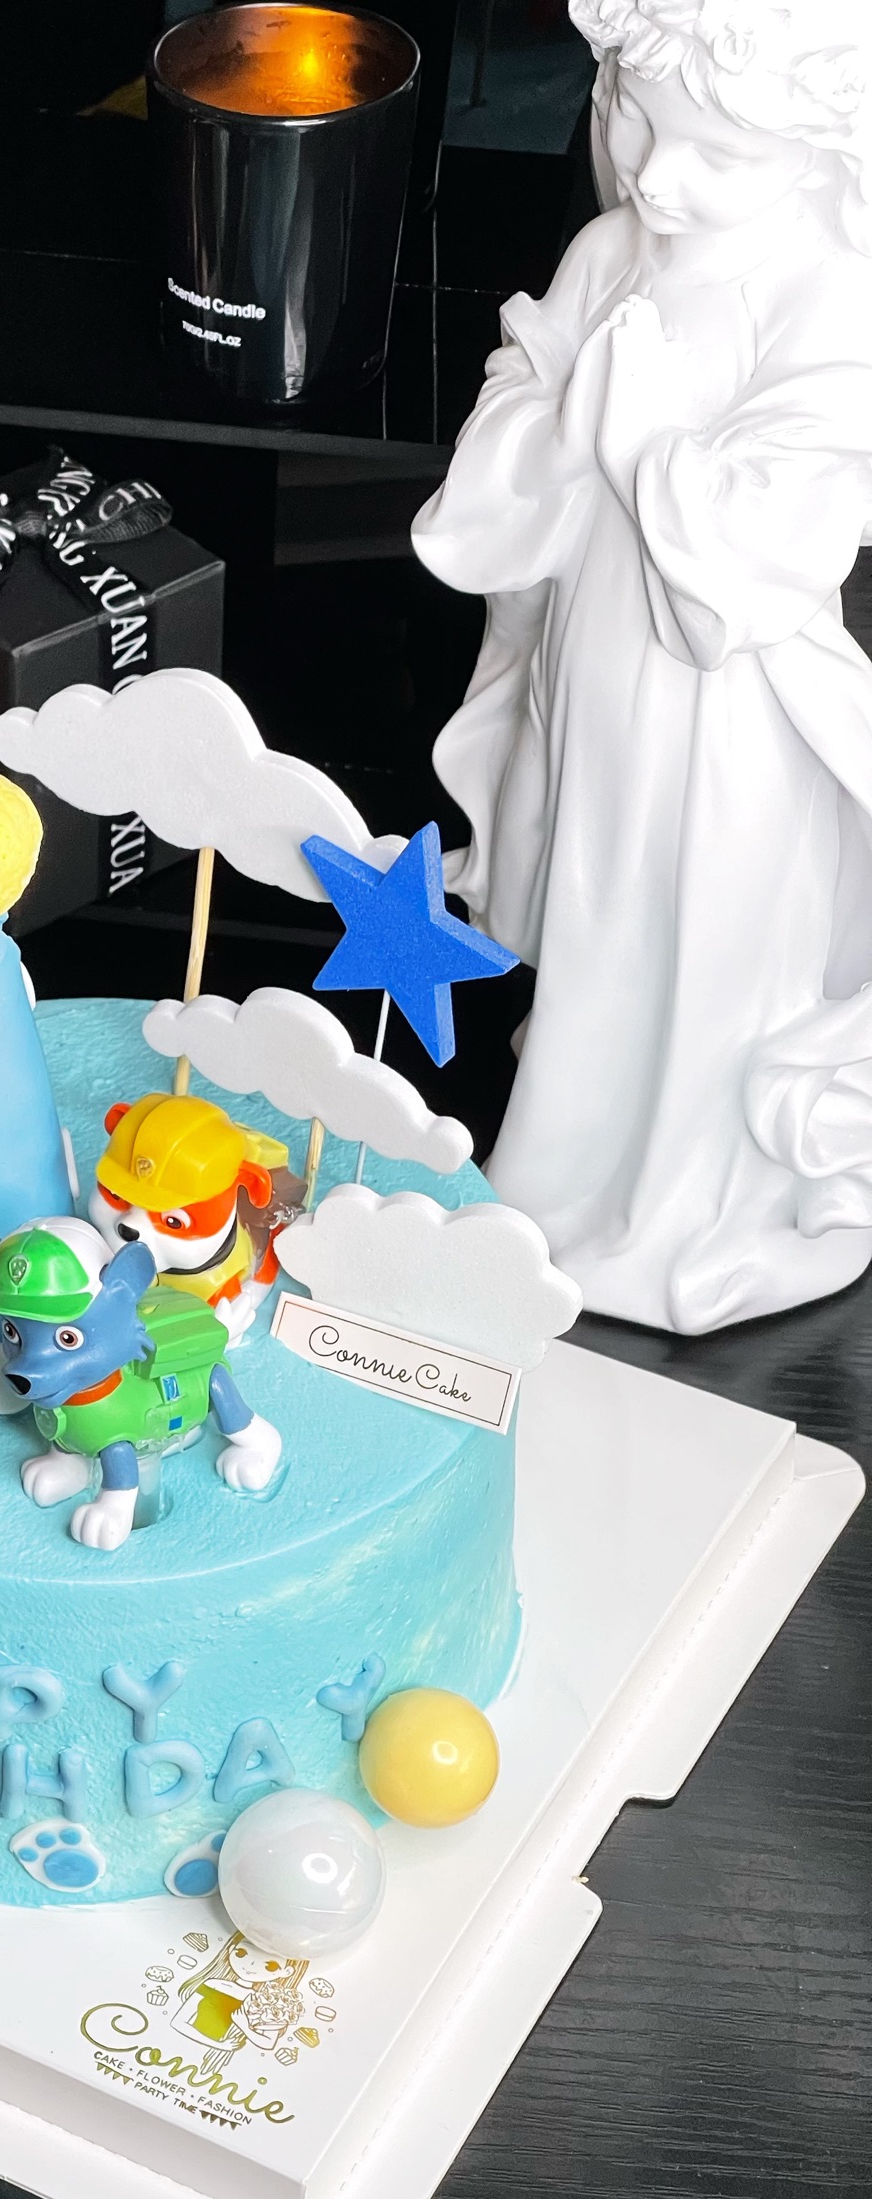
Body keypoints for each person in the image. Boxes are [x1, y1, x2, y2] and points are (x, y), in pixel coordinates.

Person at [413, 0, 872, 1333]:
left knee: (707, 924)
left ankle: (685, 1199)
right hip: (596, 646)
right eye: (631, 121)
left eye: (716, 154)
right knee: (600, 898)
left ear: (817, 149)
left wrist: (643, 445)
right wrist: (563, 427)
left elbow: (774, 545)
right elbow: (511, 420)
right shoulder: (615, 248)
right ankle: (562, 1172)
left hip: (730, 707)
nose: (659, 176)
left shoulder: (831, 295)